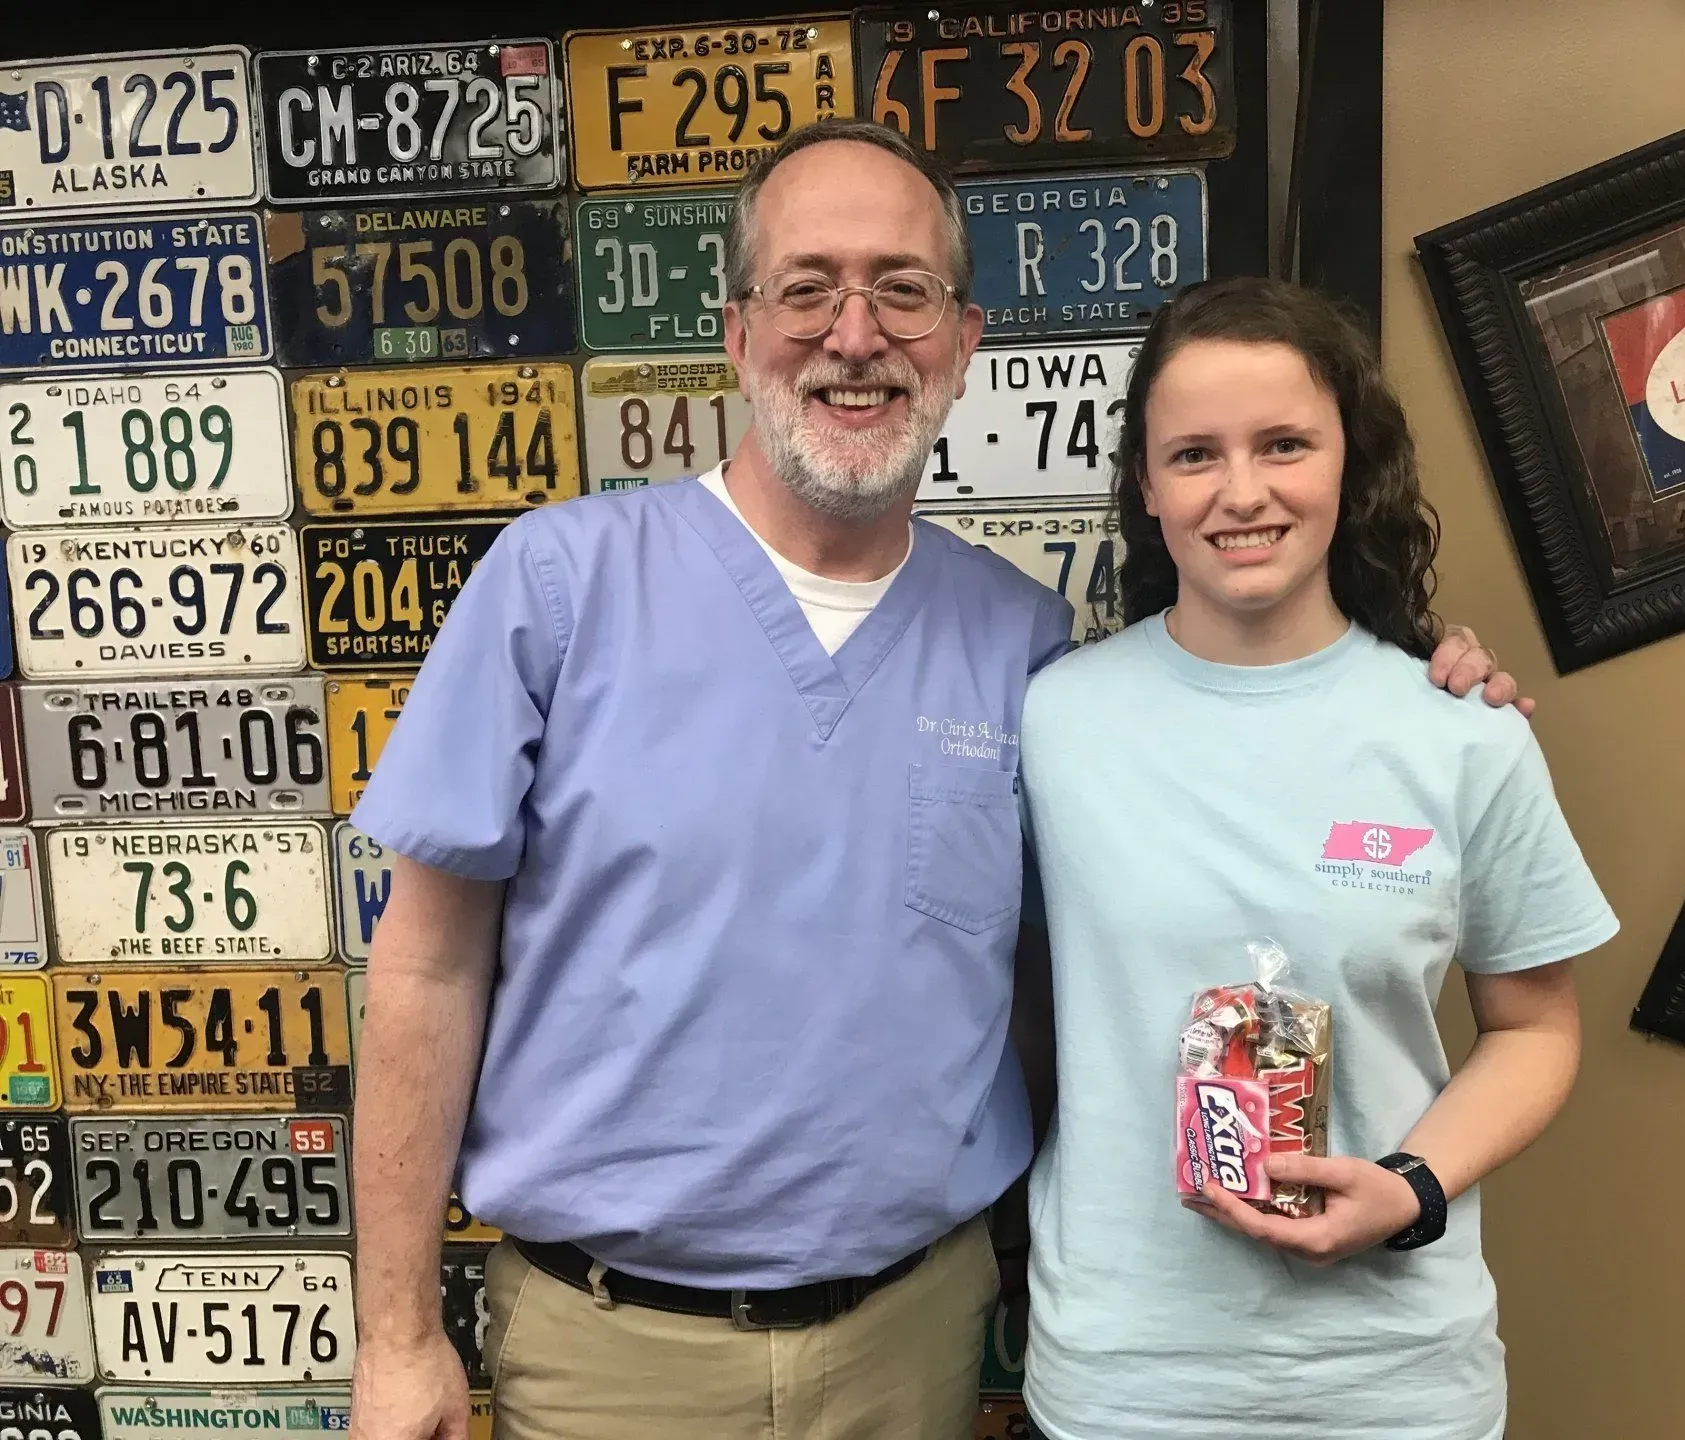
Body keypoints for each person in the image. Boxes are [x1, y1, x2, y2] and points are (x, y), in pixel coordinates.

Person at [344, 122, 1516, 1440]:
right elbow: (427, 969)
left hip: (917, 1335)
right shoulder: (557, 587)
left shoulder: (1024, 648)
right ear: (736, 333)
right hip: (612, 1347)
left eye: (902, 291)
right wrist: (394, 1335)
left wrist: (1420, 690)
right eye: (807, 290)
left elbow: (1109, 905)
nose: (855, 335)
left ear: (962, 344)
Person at [1016, 276, 1619, 1440]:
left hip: (1393, 1383)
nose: (1242, 491)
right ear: (1145, 485)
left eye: (1285, 444)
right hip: (1123, 1382)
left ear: (1353, 463)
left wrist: (1413, 1186)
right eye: (1194, 454)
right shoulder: (1053, 723)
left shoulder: (1465, 735)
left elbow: (1538, 1029)